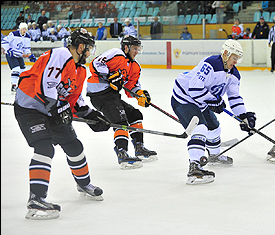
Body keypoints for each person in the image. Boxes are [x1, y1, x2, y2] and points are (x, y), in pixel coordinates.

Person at [13, 28, 111, 220]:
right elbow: (45, 87)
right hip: (29, 108)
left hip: (51, 111)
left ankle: (84, 184)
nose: (90, 53)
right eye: (89, 48)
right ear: (80, 46)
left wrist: (93, 116)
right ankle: (36, 199)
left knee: (74, 146)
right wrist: (57, 110)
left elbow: (74, 100)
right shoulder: (61, 54)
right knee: (44, 148)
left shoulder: (80, 70)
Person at [171, 39, 257, 185]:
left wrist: (244, 116)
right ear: (225, 54)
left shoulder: (234, 75)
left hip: (201, 101)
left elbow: (234, 97)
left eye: (238, 58)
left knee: (214, 128)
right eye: (234, 57)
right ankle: (195, 168)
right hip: (184, 98)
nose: (236, 62)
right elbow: (194, 88)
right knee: (200, 128)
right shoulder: (210, 64)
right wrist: (213, 100)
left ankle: (214, 156)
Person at [86, 35, 157, 170]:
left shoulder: (135, 66)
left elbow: (131, 88)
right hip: (99, 93)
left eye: (138, 49)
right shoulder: (116, 54)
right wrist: (109, 75)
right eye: (135, 48)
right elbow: (95, 63)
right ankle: (122, 153)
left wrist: (140, 95)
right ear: (126, 47)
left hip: (112, 95)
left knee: (135, 115)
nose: (137, 51)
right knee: (120, 120)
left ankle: (139, 148)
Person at [1, 22, 36, 93]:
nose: (24, 30)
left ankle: (22, 86)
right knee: (16, 69)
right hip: (11, 55)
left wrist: (30, 55)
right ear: (20, 29)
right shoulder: (13, 34)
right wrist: (8, 49)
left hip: (19, 56)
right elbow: (4, 42)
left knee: (23, 71)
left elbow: (26, 48)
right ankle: (14, 86)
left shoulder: (27, 37)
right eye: (23, 29)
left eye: (25, 29)